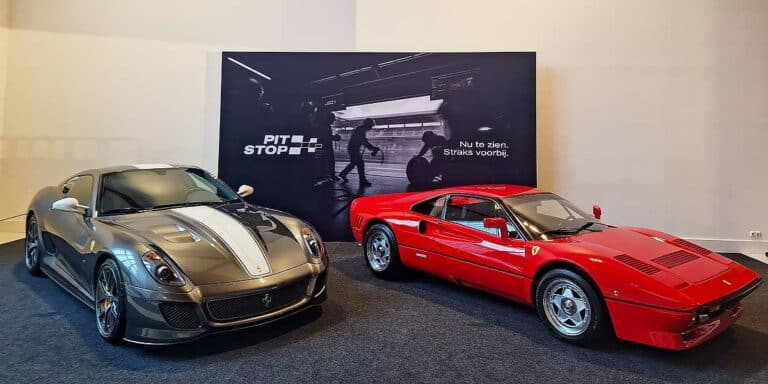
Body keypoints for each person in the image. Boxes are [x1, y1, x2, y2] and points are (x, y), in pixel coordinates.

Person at [338, 118, 380, 187]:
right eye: (371, 126)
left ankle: (343, 174)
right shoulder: (361, 130)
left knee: (353, 163)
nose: (371, 127)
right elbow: (363, 141)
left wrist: (372, 148)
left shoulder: (361, 129)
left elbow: (363, 141)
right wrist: (373, 148)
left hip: (353, 148)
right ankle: (362, 180)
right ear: (368, 124)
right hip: (354, 149)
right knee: (360, 164)